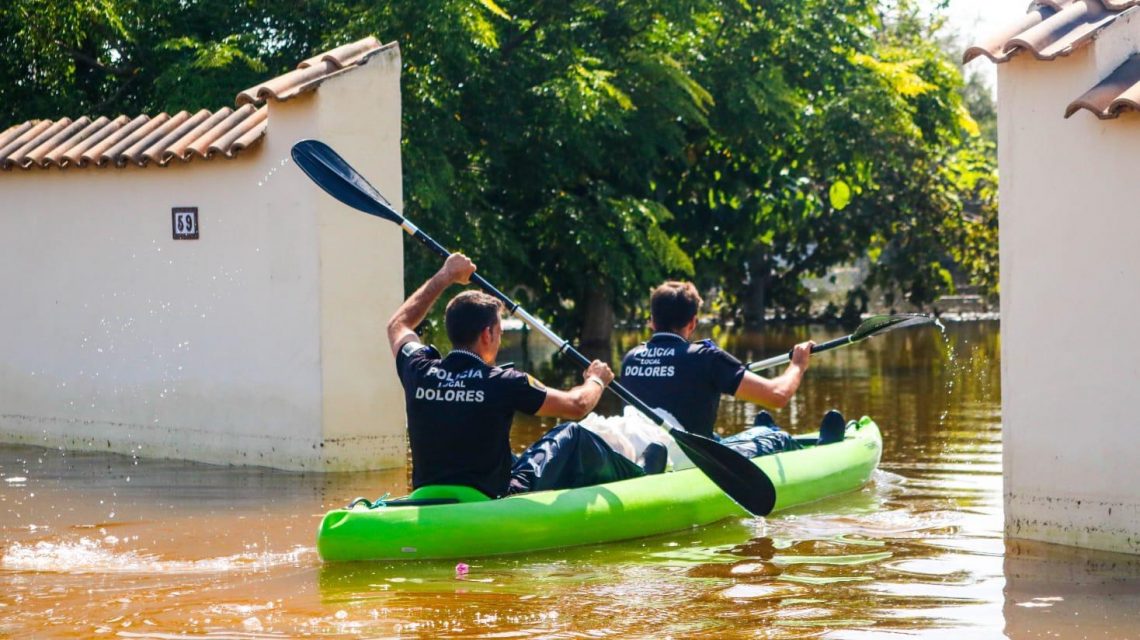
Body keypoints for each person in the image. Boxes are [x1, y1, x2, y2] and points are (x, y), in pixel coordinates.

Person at [387, 253, 665, 499]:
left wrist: (445, 276)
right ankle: (639, 476)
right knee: (572, 434)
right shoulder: (504, 381)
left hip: (428, 493)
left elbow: (398, 325)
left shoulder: (419, 369)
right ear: (488, 334)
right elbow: (577, 405)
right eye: (500, 333)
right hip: (491, 497)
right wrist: (596, 380)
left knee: (513, 453)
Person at [620, 281, 844, 456]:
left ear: (652, 321)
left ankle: (761, 431)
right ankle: (810, 445)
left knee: (717, 437)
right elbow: (777, 396)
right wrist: (797, 365)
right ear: (693, 322)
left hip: (649, 450)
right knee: (777, 440)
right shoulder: (704, 357)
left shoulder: (631, 358)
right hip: (694, 458)